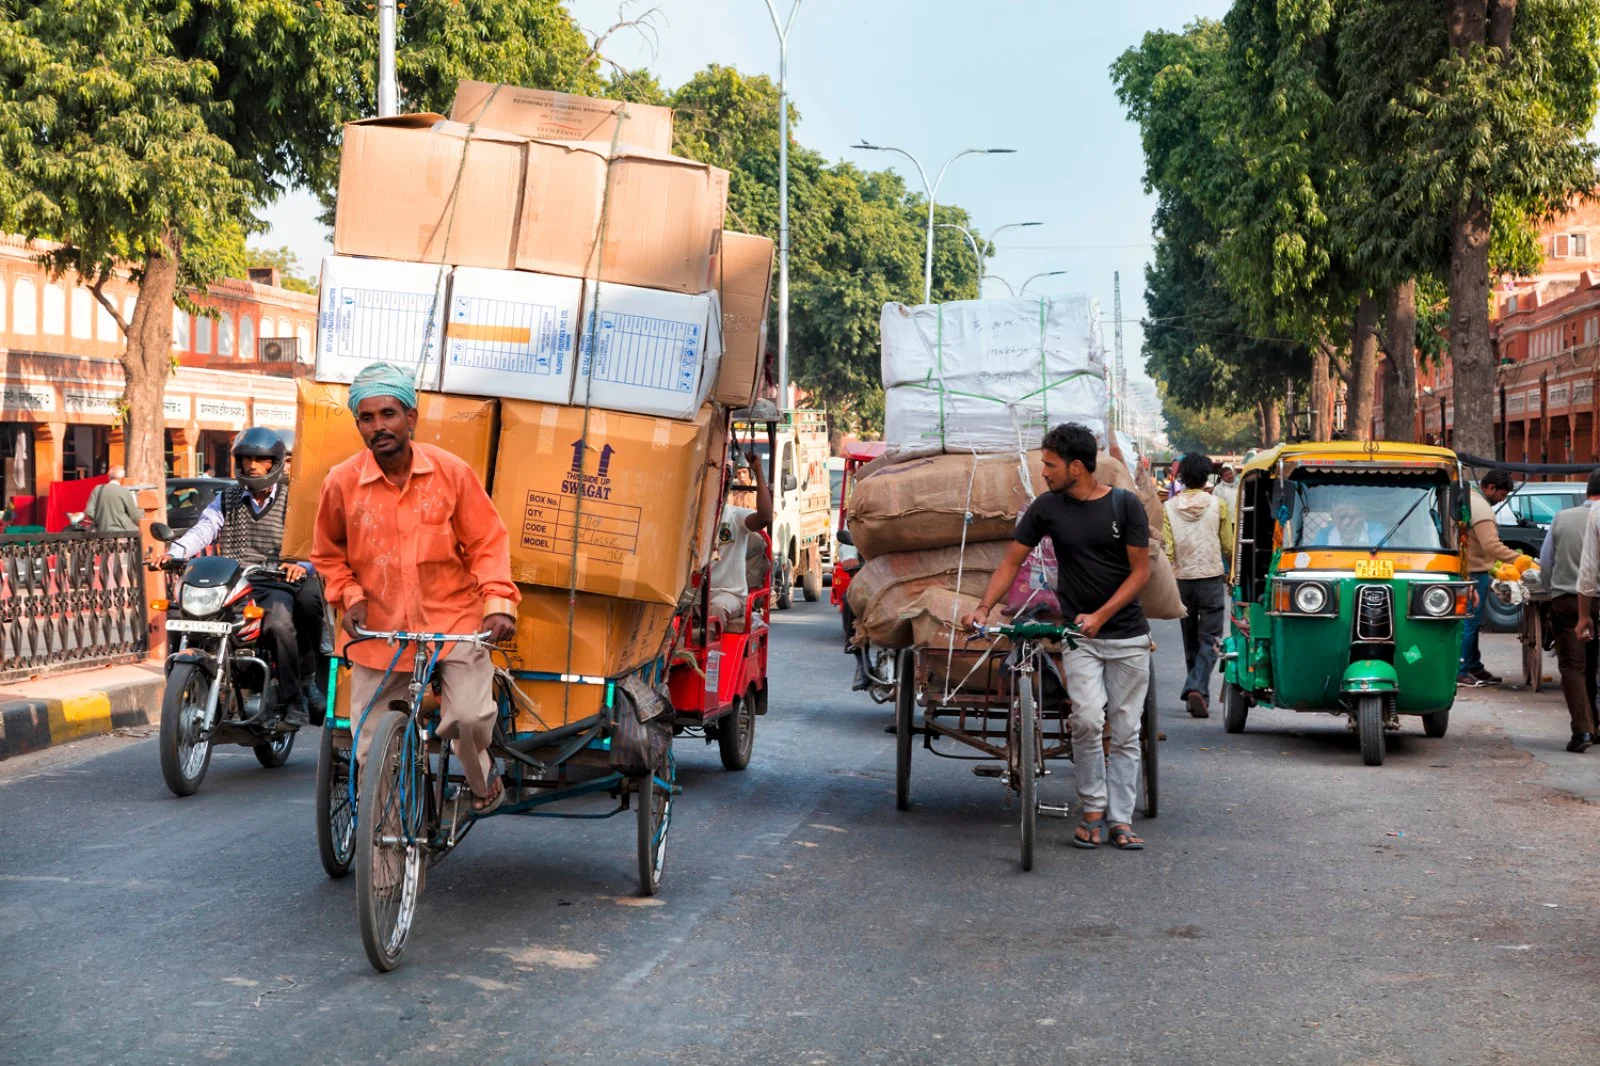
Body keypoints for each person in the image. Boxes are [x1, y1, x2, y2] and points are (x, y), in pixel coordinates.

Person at [311, 362, 519, 814]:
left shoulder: (451, 473)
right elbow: (327, 555)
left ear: (411, 417)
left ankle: (485, 783)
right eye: (366, 418)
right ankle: (382, 859)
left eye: (387, 414)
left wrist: (497, 601)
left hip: (454, 623)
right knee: (370, 746)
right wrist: (349, 596)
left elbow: (487, 541)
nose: (377, 427)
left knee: (467, 719)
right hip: (379, 632)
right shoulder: (341, 483)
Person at [962, 422, 1152, 852]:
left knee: (1123, 732)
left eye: (1049, 464)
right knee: (1086, 721)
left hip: (1126, 637)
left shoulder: (1126, 507)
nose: (1043, 472)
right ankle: (1092, 812)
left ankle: (1121, 820)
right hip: (1077, 637)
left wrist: (1102, 615)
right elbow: (1011, 562)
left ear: (1078, 467)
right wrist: (982, 607)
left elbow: (1142, 572)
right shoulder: (1046, 507)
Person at [168, 427, 323, 724]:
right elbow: (205, 528)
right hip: (233, 582)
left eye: (260, 459)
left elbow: (313, 539)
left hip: (277, 581)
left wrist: (302, 565)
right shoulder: (228, 498)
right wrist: (175, 551)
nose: (251, 466)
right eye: (246, 459)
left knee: (279, 624)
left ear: (274, 463)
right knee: (181, 614)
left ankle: (294, 698)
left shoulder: (295, 500)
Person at [1164, 453, 1231, 718]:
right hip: (1212, 578)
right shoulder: (1218, 505)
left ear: (1182, 478)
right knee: (1212, 638)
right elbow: (1227, 545)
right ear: (1206, 477)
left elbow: (1167, 551)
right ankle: (1197, 687)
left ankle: (1197, 691)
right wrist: (1233, 574)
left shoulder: (1168, 507)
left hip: (1182, 581)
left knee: (1190, 638)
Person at [1540, 471, 1600, 752]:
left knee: (1574, 666)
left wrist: (1552, 590)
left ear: (1587, 489)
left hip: (1567, 599)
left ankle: (1583, 730)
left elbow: (1547, 561)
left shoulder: (1562, 518)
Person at [1461, 469, 1522, 687]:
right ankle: (1462, 669)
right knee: (1470, 622)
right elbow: (1491, 545)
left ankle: (1473, 665)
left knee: (1473, 622)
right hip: (1473, 571)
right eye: (1501, 495)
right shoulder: (1482, 508)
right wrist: (1520, 560)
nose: (1501, 501)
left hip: (1469, 568)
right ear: (1491, 488)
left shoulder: (1471, 498)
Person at [710, 446, 773, 627]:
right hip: (693, 594)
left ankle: (711, 654)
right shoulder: (690, 519)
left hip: (727, 595)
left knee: (716, 608)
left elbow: (764, 517)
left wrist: (758, 472)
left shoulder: (734, 516)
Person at [85, 466, 141, 533]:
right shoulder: (124, 491)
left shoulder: (97, 489)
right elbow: (135, 516)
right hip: (121, 533)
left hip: (102, 533)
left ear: (108, 476)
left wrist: (101, 520)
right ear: (122, 479)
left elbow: (89, 511)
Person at [1311, 497, 1387, 547]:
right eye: (1341, 517)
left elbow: (1382, 554)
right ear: (1333, 518)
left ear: (1363, 516)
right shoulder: (1325, 534)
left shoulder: (1375, 529)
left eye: (1353, 517)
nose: (1346, 522)